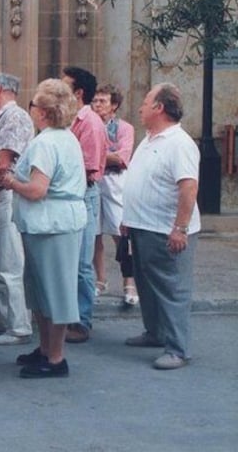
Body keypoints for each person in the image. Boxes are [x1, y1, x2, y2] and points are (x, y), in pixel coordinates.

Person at [0, 78, 86, 379]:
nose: (31, 109)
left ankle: (55, 356)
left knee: (54, 291)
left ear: (44, 112)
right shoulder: (65, 137)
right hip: (52, 223)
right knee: (42, 290)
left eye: (33, 104)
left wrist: (11, 181)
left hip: (52, 224)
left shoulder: (47, 143)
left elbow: (37, 189)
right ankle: (47, 348)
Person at [122, 83, 200, 370]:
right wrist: (128, 219)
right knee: (147, 284)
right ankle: (155, 332)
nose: (141, 107)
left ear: (159, 108)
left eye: (146, 102)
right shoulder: (150, 139)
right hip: (143, 226)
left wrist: (180, 227)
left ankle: (178, 349)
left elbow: (188, 187)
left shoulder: (179, 143)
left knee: (172, 288)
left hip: (165, 229)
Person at [0, 73, 34, 345]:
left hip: (7, 194)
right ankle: (2, 318)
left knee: (11, 261)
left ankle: (19, 324)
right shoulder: (1, 119)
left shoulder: (15, 117)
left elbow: (3, 161)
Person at [61, 66, 106, 343]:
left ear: (78, 93)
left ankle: (82, 321)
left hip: (83, 195)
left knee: (81, 263)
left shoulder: (89, 123)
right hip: (74, 194)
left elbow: (89, 170)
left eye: (65, 86)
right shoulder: (72, 121)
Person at [91, 84, 137, 305]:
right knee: (93, 234)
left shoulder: (124, 128)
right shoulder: (88, 125)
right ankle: (100, 280)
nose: (97, 105)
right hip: (93, 181)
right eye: (95, 101)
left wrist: (96, 155)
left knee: (121, 233)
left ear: (114, 105)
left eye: (102, 101)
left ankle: (129, 282)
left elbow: (122, 158)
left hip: (115, 181)